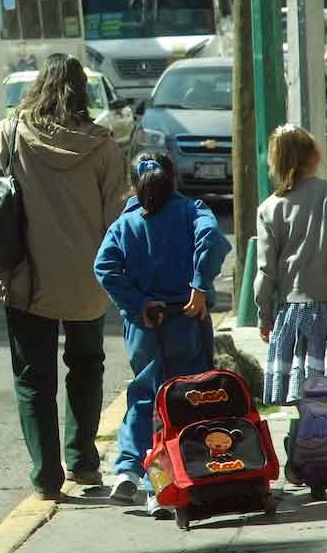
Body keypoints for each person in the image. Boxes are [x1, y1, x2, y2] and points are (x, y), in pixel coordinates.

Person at [0, 53, 128, 500]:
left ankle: (47, 477)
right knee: (86, 367)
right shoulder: (103, 145)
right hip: (89, 281)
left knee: (33, 378)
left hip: (26, 277)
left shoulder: (9, 134)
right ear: (81, 91)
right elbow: (117, 216)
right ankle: (83, 463)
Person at [94, 152, 231, 519]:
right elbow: (211, 238)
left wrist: (138, 303)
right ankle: (165, 483)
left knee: (144, 396)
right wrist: (199, 285)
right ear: (174, 179)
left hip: (145, 325)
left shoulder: (125, 223)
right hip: (186, 319)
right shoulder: (191, 211)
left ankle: (127, 469)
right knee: (186, 400)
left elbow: (104, 267)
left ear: (134, 185)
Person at [255, 125, 327, 405]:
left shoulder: (269, 208)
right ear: (314, 155)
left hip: (292, 315)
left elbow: (265, 271)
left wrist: (264, 316)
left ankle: (307, 432)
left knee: (302, 393)